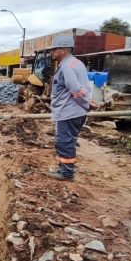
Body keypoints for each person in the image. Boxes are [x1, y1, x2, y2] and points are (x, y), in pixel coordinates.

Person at [46, 35, 91, 181]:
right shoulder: (75, 63)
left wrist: (86, 103)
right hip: (73, 111)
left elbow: (75, 88)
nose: (52, 52)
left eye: (54, 49)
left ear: (64, 49)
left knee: (64, 141)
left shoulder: (67, 66)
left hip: (69, 111)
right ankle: (64, 169)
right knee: (67, 141)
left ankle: (66, 173)